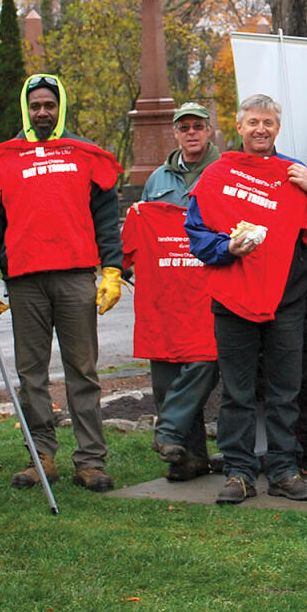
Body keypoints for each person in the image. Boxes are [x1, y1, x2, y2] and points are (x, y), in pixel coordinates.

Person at [0, 73, 125, 492]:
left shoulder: (86, 155)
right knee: (32, 374)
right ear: (27, 108)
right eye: (36, 105)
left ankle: (90, 460)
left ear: (61, 108)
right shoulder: (4, 158)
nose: (43, 112)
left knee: (83, 370)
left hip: (76, 277)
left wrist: (113, 269)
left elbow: (106, 221)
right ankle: (41, 455)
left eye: (49, 105)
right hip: (24, 281)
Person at [186, 95, 307, 504]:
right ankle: (239, 472)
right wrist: (226, 249)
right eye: (254, 122)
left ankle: (285, 470)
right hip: (233, 298)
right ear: (240, 126)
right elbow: (196, 234)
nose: (261, 130)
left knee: (285, 389)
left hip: (286, 298)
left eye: (268, 123)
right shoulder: (218, 174)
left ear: (277, 128)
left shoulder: (293, 175)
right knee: (237, 392)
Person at [132, 101, 223, 483]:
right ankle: (190, 458)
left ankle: (168, 429)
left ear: (209, 130)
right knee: (165, 375)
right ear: (175, 132)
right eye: (184, 127)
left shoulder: (224, 173)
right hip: (167, 293)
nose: (191, 133)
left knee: (204, 362)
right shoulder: (157, 181)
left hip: (209, 286)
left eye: (197, 126)